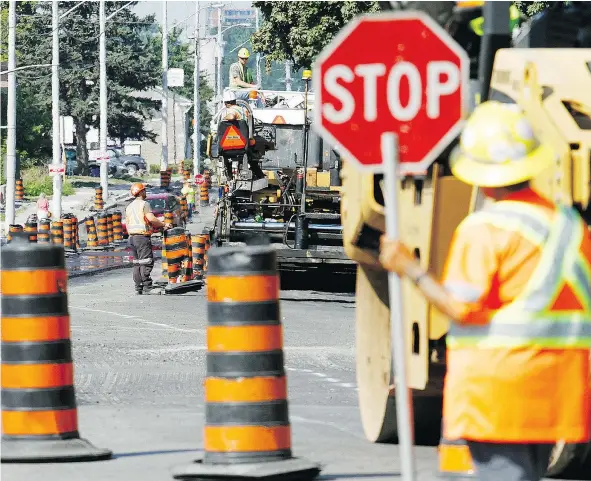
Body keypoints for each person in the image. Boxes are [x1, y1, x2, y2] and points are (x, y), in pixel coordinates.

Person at [379, 101, 591, 481]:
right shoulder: (571, 226)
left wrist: (409, 267)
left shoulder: (484, 229)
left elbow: (459, 308)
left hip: (497, 393)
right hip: (556, 392)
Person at [125, 182, 172, 295]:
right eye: (144, 190)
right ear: (141, 192)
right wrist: (163, 224)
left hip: (132, 237)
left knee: (137, 263)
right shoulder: (144, 204)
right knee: (146, 262)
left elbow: (127, 223)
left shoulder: (129, 206)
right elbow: (151, 218)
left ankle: (139, 286)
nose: (145, 192)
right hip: (142, 237)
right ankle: (147, 286)